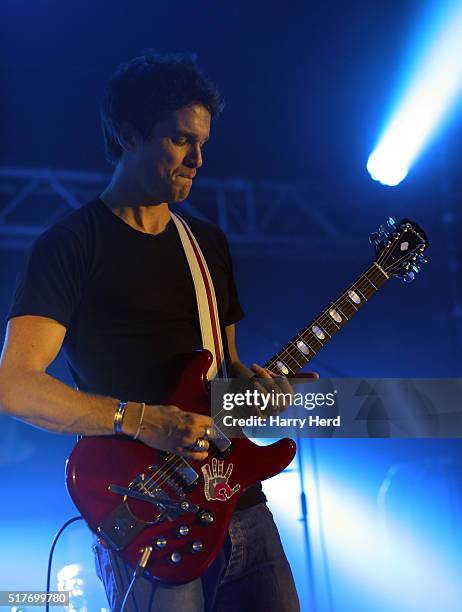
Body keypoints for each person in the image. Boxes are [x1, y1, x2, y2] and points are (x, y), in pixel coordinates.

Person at [0, 52, 302, 611]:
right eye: (182, 140)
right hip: (146, 518)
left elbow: (226, 371)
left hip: (241, 505)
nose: (199, 159)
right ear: (128, 132)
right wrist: (140, 420)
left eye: (203, 144)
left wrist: (259, 394)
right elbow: (15, 385)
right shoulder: (70, 247)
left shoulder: (207, 244)